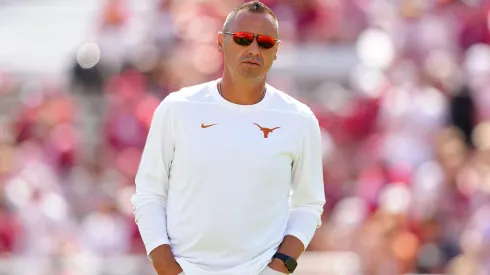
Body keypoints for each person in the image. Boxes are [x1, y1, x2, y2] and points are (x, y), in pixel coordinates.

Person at [131, 1, 326, 274]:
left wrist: (278, 268)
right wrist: (166, 267)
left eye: (266, 42)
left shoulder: (300, 119)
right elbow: (149, 194)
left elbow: (308, 204)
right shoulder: (177, 108)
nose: (254, 49)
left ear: (277, 51)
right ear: (221, 43)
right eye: (243, 39)